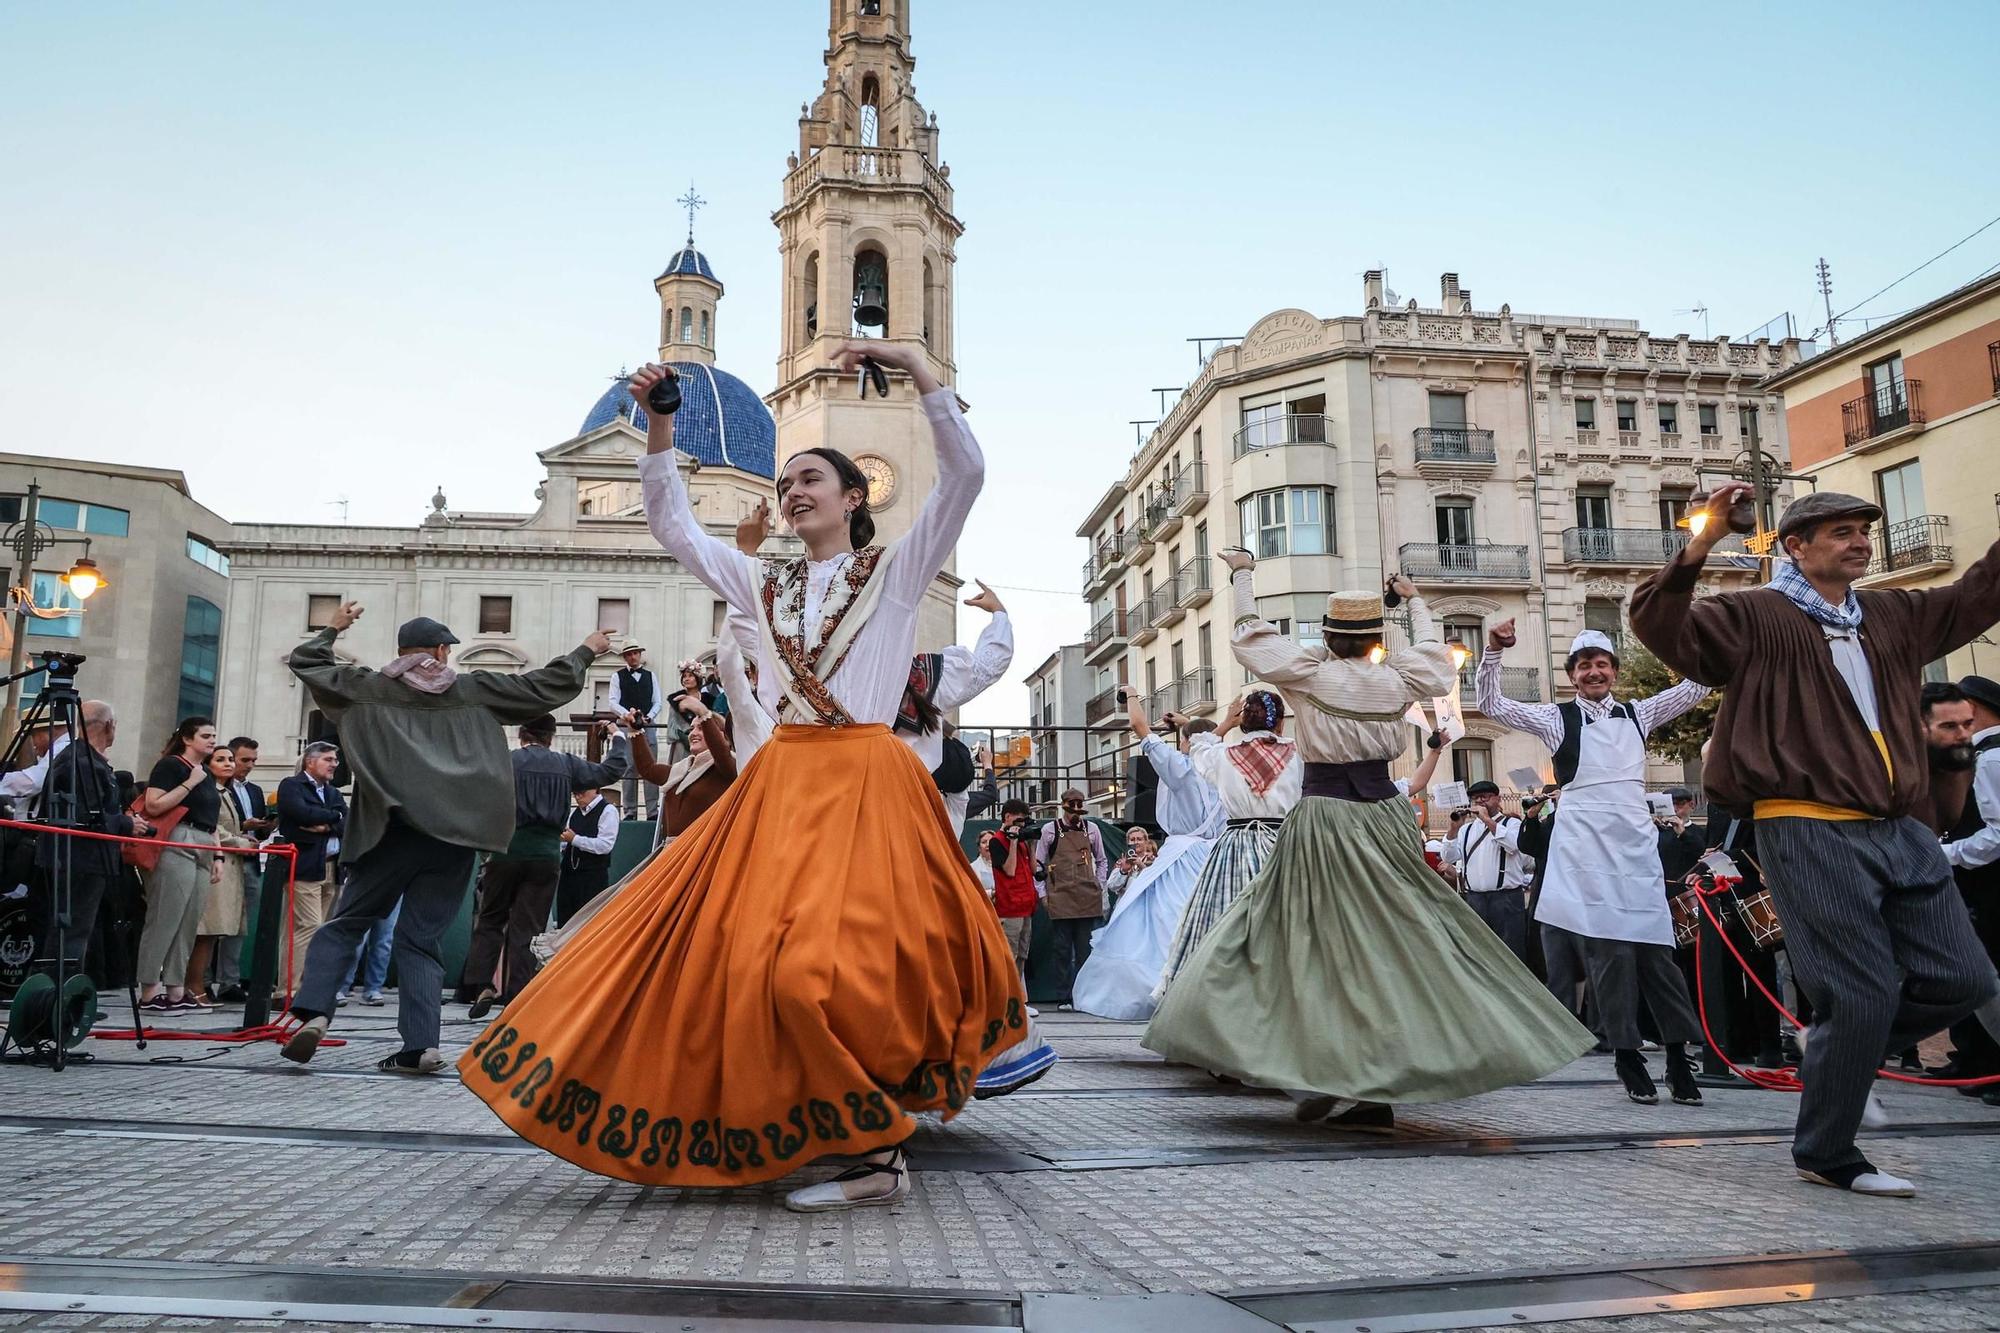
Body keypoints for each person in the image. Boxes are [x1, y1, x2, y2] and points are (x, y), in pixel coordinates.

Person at [459, 344, 1027, 1212]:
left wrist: (918, 369)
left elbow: (967, 473)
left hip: (867, 785)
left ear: (852, 497)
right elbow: (675, 526)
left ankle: (874, 1153)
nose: (794, 490)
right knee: (751, 961)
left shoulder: (899, 570)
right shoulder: (763, 580)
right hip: (783, 788)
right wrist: (658, 426)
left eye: (811, 478)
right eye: (786, 481)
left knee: (831, 970)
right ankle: (840, 1138)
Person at [1631, 485, 2000, 1196]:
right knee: (1858, 992)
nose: (1859, 540)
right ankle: (1828, 1152)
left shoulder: (1894, 613)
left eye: (1863, 529)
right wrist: (1702, 541)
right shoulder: (1756, 615)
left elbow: (1980, 592)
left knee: (1968, 979)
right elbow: (1660, 621)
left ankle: (1832, 1055)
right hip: (1806, 823)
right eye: (1839, 531)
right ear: (1796, 546)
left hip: (1900, 826)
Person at [1146, 555, 1596, 1133]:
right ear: (1375, 639)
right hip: (1386, 816)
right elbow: (1436, 654)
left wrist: (1243, 576)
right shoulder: (1399, 677)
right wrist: (1413, 600)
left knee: (1297, 937)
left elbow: (1249, 637)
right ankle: (1364, 1077)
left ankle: (1317, 1068)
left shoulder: (1309, 673)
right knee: (1399, 940)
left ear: (1329, 636)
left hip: (1327, 818)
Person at [279, 603, 611, 1075]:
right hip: (455, 836)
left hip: (389, 833)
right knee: (420, 940)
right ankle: (421, 1047)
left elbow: (307, 663)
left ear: (401, 652)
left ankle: (312, 1012)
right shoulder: (472, 689)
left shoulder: (367, 687)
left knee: (346, 922)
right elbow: (544, 688)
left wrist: (332, 628)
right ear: (440, 651)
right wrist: (586, 651)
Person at [1476, 621, 1712, 1108]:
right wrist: (1493, 652)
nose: (1594, 672)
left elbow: (1698, 686)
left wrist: (1687, 636)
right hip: (1585, 846)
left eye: (1602, 664)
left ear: (1614, 671)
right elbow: (1493, 706)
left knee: (1656, 954)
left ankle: (1675, 1054)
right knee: (1609, 955)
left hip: (1633, 843)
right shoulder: (1556, 719)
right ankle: (1627, 1054)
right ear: (1573, 675)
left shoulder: (1640, 713)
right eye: (1584, 666)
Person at [461, 715, 628, 1019]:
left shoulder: (507, 761)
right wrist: (617, 736)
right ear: (551, 737)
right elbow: (612, 770)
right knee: (529, 928)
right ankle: (518, 998)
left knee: (490, 919)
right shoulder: (565, 764)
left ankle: (481, 983)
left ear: (523, 733)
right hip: (546, 855)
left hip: (506, 851)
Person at [1074, 691, 1225, 1021]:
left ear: (1186, 742)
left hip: (1181, 859)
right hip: (1216, 859)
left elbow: (1139, 725)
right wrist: (1195, 726)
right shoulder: (1223, 767)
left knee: (1157, 928)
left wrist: (1131, 695)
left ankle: (1166, 1003)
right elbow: (1211, 743)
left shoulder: (1179, 768)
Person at [1154, 689, 1302, 1000]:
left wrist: (1224, 723)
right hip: (1283, 844)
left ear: (1242, 723)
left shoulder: (1223, 756)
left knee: (1216, 920)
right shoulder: (1299, 755)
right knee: (1291, 923)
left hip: (1235, 846)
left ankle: (1213, 997)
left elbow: (1198, 746)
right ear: (1281, 725)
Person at [35, 701, 149, 976]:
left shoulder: (82, 760)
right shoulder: (83, 763)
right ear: (109, 726)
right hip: (80, 859)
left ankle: (62, 994)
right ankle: (56, 998)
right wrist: (126, 823)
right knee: (71, 932)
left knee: (76, 931)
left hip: (79, 858)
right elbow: (87, 816)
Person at [895, 580, 1013, 834]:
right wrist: (999, 613)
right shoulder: (920, 678)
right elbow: (987, 666)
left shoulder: (814, 675)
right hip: (905, 811)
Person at [134, 717, 223, 1012]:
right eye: (206, 736)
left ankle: (175, 990)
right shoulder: (171, 766)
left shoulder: (205, 773)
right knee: (164, 917)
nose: (212, 740)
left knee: (188, 922)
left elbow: (213, 822)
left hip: (203, 843)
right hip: (177, 839)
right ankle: (149, 990)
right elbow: (154, 804)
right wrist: (190, 783)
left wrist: (218, 856)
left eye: (213, 735)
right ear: (187, 738)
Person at [1940, 676, 2000, 1103]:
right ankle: (1979, 1059)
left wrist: (1946, 854)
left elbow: (1996, 834)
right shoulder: (1978, 756)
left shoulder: (1992, 759)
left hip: (1989, 884)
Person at [276, 742, 347, 997]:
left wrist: (326, 822)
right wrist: (332, 818)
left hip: (331, 868)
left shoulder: (334, 793)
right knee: (307, 926)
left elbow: (345, 821)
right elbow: (301, 813)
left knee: (320, 930)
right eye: (328, 759)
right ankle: (288, 990)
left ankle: (307, 988)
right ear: (310, 761)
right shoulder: (291, 786)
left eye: (335, 760)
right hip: (304, 867)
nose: (334, 765)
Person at [186, 748, 256, 1002]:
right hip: (215, 865)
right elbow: (215, 829)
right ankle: (195, 986)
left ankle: (201, 985)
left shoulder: (225, 792)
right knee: (206, 929)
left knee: (216, 931)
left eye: (229, 759)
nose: (228, 764)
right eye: (220, 759)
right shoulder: (207, 792)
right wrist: (243, 843)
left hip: (230, 868)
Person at [1441, 780, 1532, 962]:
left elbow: (1514, 845)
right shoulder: (1466, 830)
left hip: (1506, 899)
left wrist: (1487, 820)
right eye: (1475, 799)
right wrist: (1453, 830)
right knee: (1479, 952)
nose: (1480, 802)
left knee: (1510, 952)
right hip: (1475, 899)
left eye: (1485, 797)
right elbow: (1449, 856)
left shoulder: (1511, 823)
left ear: (1497, 799)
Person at [1036, 787, 1110, 1009]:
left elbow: (1102, 860)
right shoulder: (1050, 830)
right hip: (1061, 896)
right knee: (1062, 950)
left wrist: (1100, 883)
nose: (1076, 811)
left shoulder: (1092, 829)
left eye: (1080, 806)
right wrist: (1043, 894)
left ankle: (1085, 995)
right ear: (1064, 806)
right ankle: (1064, 996)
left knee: (1085, 949)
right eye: (1072, 806)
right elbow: (1039, 865)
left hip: (1088, 896)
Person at [212, 736, 271, 1002]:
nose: (249, 765)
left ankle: (229, 980)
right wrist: (242, 829)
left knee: (241, 922)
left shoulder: (255, 791)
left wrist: (264, 826)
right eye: (244, 760)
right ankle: (201, 980)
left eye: (253, 761)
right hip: (223, 858)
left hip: (250, 860)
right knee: (215, 920)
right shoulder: (217, 788)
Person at [985, 800, 1039, 982]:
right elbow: (1009, 870)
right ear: (1007, 817)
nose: (1022, 825)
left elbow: (1033, 870)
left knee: (1022, 954)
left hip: (1026, 905)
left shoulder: (1023, 841)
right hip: (1010, 907)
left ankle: (1017, 998)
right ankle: (1007, 998)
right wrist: (1013, 843)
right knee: (1009, 954)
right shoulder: (996, 841)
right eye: (1018, 820)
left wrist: (1031, 845)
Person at [555, 785, 621, 930]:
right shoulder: (575, 813)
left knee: (588, 925)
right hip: (569, 876)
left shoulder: (608, 811)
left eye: (581, 793)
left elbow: (605, 846)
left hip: (592, 878)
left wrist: (574, 839)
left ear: (594, 789)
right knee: (565, 924)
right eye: (575, 794)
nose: (578, 797)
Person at [610, 645, 662, 821]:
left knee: (651, 766)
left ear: (640, 655)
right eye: (629, 655)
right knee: (629, 767)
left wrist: (648, 717)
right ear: (625, 657)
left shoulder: (650, 676)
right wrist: (628, 716)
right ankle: (630, 811)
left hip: (648, 725)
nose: (633, 657)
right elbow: (612, 702)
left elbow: (657, 702)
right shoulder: (617, 676)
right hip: (627, 725)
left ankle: (652, 810)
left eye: (635, 653)